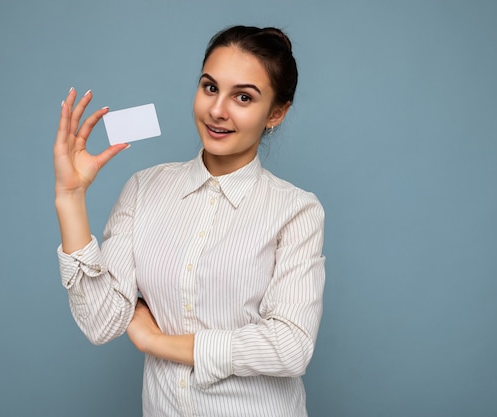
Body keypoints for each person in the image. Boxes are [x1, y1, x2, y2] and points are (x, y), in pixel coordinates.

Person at [54, 25, 325, 417]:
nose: (217, 110)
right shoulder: (143, 188)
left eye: (243, 97)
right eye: (210, 88)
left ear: (276, 114)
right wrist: (70, 197)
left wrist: (154, 342)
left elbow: (289, 347)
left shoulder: (296, 210)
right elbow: (101, 321)